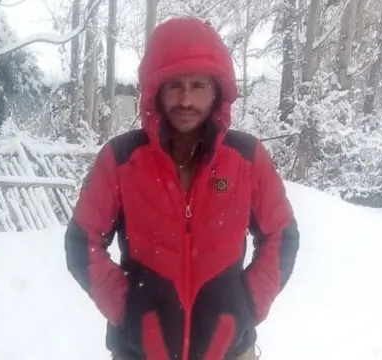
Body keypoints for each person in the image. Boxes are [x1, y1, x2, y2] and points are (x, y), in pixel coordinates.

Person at [65, 17, 300, 360]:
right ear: (155, 90)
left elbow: (282, 235)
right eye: (174, 84)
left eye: (198, 85)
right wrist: (127, 308)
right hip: (140, 352)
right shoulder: (121, 159)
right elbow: (81, 241)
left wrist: (247, 304)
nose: (186, 99)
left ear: (217, 90)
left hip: (229, 352)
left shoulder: (247, 159)